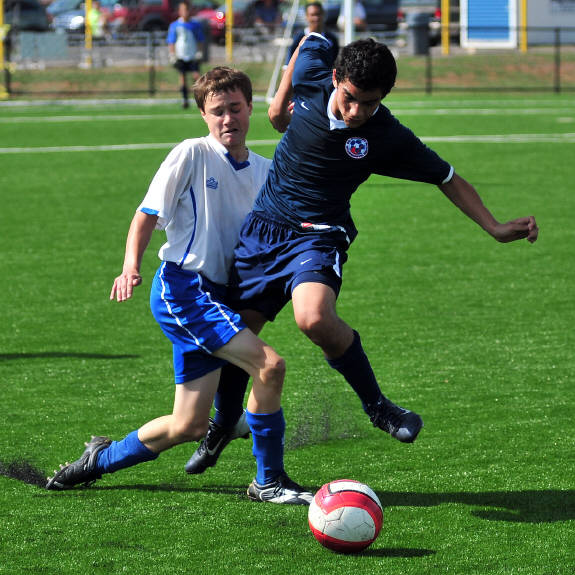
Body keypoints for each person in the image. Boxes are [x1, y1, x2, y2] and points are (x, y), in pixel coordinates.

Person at [184, 35, 539, 475]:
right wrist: (278, 106)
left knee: (313, 318)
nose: (356, 112)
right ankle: (223, 424)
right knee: (240, 332)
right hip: (264, 230)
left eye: (369, 104)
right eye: (350, 98)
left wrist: (495, 227)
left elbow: (446, 176)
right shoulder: (313, 77)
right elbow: (310, 40)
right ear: (335, 78)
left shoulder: (385, 134)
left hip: (318, 237)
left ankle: (378, 407)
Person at [45, 67, 313, 506]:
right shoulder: (191, 153)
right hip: (185, 290)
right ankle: (269, 481)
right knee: (270, 367)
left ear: (250, 108)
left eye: (235, 108)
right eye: (217, 111)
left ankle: (98, 459)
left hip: (219, 298)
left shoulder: (265, 172)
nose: (228, 118)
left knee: (188, 424)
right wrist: (130, 266)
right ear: (204, 116)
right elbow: (147, 214)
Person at [167, 2, 205, 109]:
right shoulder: (175, 25)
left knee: (197, 77)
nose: (185, 12)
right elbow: (171, 41)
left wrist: (199, 52)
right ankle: (185, 100)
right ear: (179, 11)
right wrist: (172, 54)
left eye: (187, 10)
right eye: (183, 10)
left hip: (192, 55)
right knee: (182, 77)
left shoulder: (195, 25)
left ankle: (200, 100)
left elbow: (200, 39)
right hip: (181, 55)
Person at [285, 2, 339, 67]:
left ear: (323, 14)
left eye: (318, 14)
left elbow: (336, 63)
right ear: (306, 16)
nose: (316, 18)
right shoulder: (298, 38)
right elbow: (287, 66)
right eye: (313, 15)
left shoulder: (331, 39)